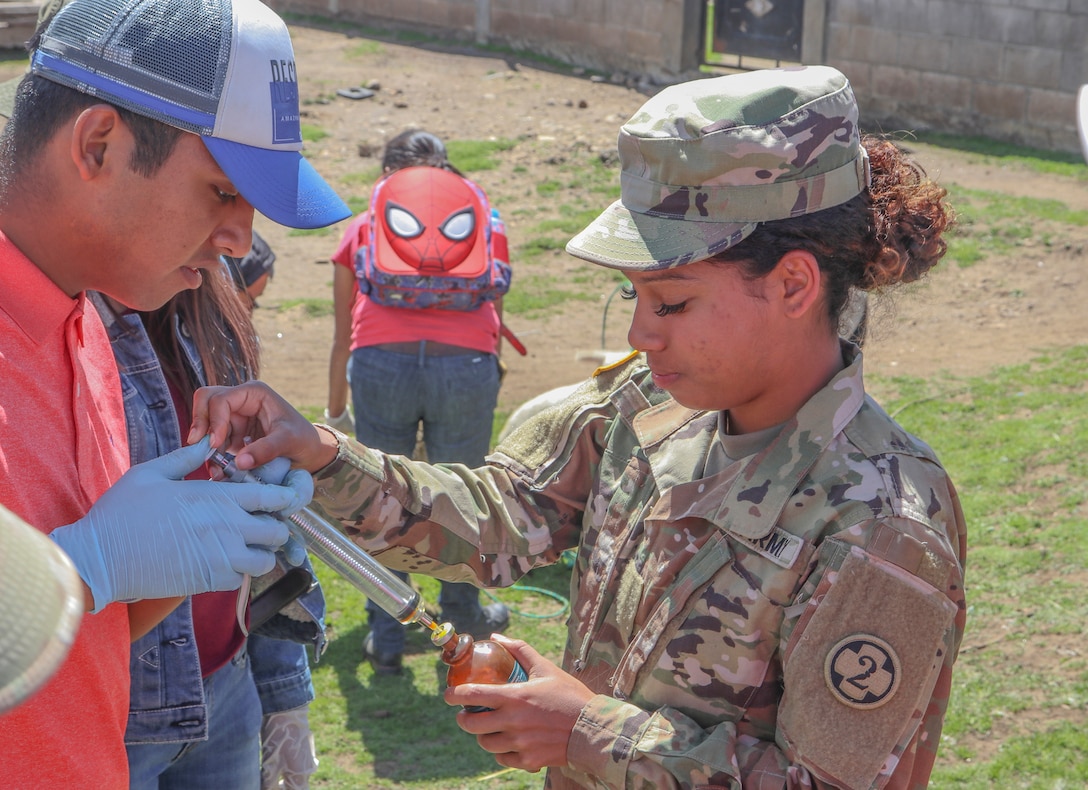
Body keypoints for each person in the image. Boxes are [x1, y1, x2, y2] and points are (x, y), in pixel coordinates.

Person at [192, 66, 967, 788]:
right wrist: (322, 454)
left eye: (670, 301)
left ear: (793, 283)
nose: (640, 334)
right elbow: (499, 521)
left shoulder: (883, 524)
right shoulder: (649, 405)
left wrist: (588, 735)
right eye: (634, 297)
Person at [0, 0, 349, 784]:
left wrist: (193, 547)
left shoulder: (86, 320)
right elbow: (85, 580)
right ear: (97, 145)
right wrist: (84, 566)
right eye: (223, 192)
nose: (241, 240)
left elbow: (85, 642)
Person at [90, 233, 325, 789]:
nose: (238, 234)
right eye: (218, 193)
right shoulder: (65, 333)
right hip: (118, 711)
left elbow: (266, 541)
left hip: (227, 681)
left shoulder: (205, 313)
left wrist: (282, 696)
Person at [327, 129, 509, 674]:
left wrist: (336, 409)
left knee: (379, 498)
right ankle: (465, 612)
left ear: (387, 176)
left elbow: (342, 335)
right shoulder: (478, 220)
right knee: (464, 495)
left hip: (382, 364)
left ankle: (387, 633)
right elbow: (495, 304)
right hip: (467, 365)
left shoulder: (364, 226)